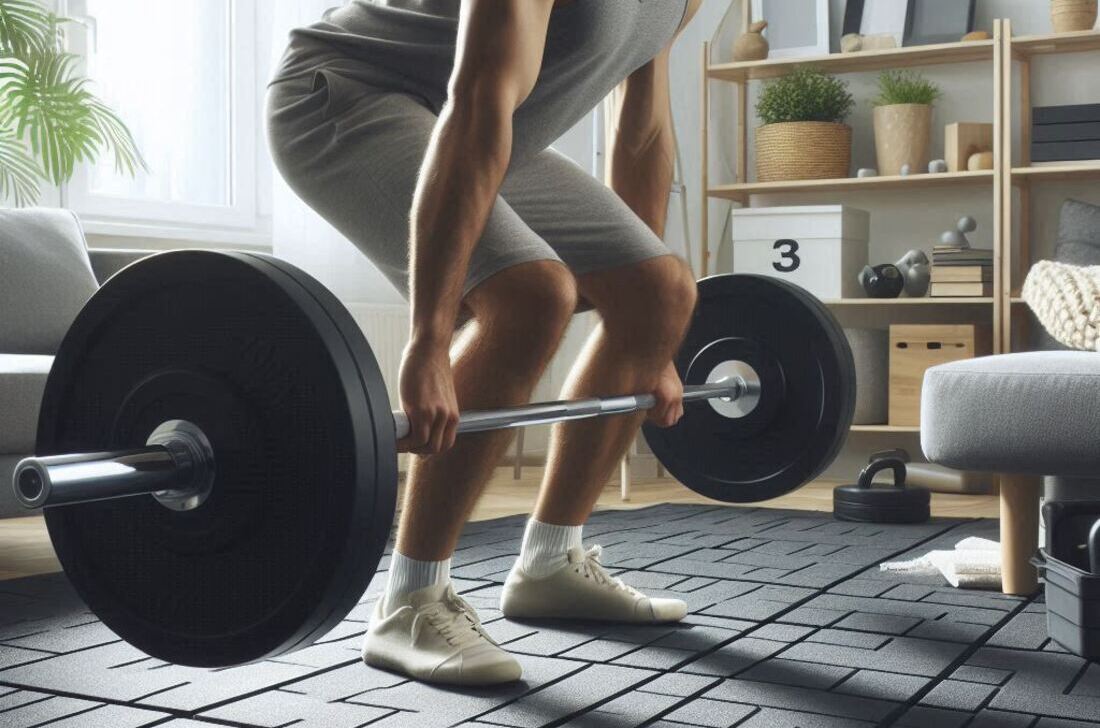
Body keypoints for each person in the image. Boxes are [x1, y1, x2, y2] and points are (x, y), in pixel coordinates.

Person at [266, 0, 702, 686]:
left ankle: (551, 564)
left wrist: (652, 337)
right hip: (349, 97)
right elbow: (477, 103)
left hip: (494, 131)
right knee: (530, 295)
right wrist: (429, 340)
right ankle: (410, 599)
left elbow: (641, 129)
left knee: (664, 292)